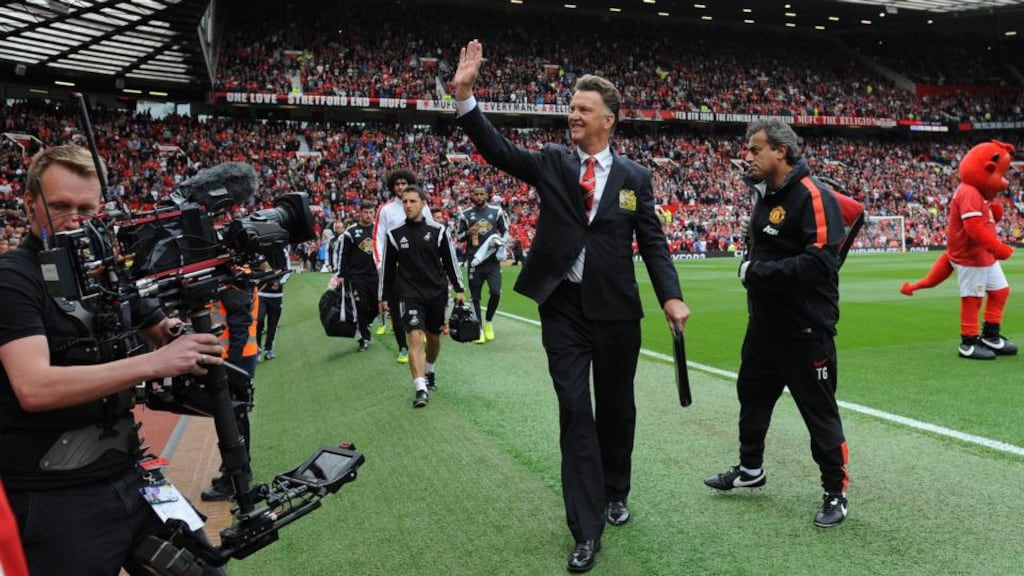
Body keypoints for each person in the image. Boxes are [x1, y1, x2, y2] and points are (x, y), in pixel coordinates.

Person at [453, 40, 690, 573]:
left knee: (616, 407)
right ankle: (585, 530)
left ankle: (615, 490)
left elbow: (652, 241)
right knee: (574, 411)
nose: (572, 115)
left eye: (582, 109)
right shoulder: (554, 162)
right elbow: (498, 151)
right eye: (572, 108)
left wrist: (670, 296)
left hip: (617, 311)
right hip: (562, 307)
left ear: (608, 120)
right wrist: (467, 99)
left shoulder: (635, 178)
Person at [0, 144, 227, 574]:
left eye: (86, 208)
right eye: (61, 206)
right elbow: (34, 386)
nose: (74, 220)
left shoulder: (106, 271)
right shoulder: (13, 278)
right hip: (53, 495)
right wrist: (155, 363)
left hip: (132, 474)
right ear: (29, 204)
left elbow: (159, 326)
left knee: (208, 569)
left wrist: (179, 334)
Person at [703, 119, 851, 529]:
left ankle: (835, 492)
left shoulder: (812, 195)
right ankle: (751, 469)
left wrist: (756, 273)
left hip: (804, 330)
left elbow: (822, 263)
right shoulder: (766, 194)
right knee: (751, 396)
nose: (746, 156)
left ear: (781, 152)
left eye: (754, 150)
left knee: (818, 412)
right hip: (764, 326)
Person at [379, 185, 465, 408]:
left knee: (433, 339)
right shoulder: (394, 234)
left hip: (436, 292)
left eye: (412, 201)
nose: (407, 205)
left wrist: (459, 288)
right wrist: (384, 296)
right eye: (405, 201)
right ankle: (420, 388)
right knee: (415, 337)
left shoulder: (438, 231)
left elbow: (450, 262)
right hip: (409, 294)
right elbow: (388, 269)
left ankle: (430, 371)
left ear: (423, 204)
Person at [201, 283, 259, 502]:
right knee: (233, 415)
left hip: (235, 358)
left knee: (232, 416)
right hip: (237, 356)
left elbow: (240, 321)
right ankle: (235, 469)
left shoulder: (231, 280)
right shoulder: (234, 277)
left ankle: (237, 476)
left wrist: (231, 365)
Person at [373, 169, 434, 363]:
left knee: (421, 301)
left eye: (403, 183)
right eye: (396, 184)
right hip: (395, 267)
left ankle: (419, 334)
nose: (400, 187)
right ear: (392, 187)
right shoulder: (385, 209)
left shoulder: (422, 205)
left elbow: (432, 230)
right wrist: (381, 264)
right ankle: (403, 347)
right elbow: (378, 237)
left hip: (418, 265)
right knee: (396, 307)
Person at [457, 185, 509, 344]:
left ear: (487, 195)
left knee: (496, 292)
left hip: (492, 260)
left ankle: (489, 322)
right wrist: (468, 233)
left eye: (482, 194)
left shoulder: (496, 211)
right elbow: (459, 236)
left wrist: (500, 242)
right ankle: (478, 329)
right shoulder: (465, 214)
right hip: (474, 260)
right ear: (472, 195)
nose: (479, 196)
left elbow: (505, 231)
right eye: (476, 194)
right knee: (475, 297)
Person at [331, 203, 379, 351]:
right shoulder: (350, 232)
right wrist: (340, 275)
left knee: (378, 306)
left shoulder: (378, 229)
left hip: (376, 275)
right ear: (360, 213)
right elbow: (343, 255)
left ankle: (367, 324)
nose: (369, 215)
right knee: (361, 306)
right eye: (366, 212)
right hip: (357, 277)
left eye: (371, 212)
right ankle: (364, 338)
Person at [257, 245, 291, 361]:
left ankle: (268, 349)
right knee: (259, 321)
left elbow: (287, 271)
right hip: (261, 294)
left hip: (276, 296)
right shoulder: (258, 251)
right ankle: (257, 349)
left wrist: (279, 282)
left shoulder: (282, 252)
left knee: (273, 324)